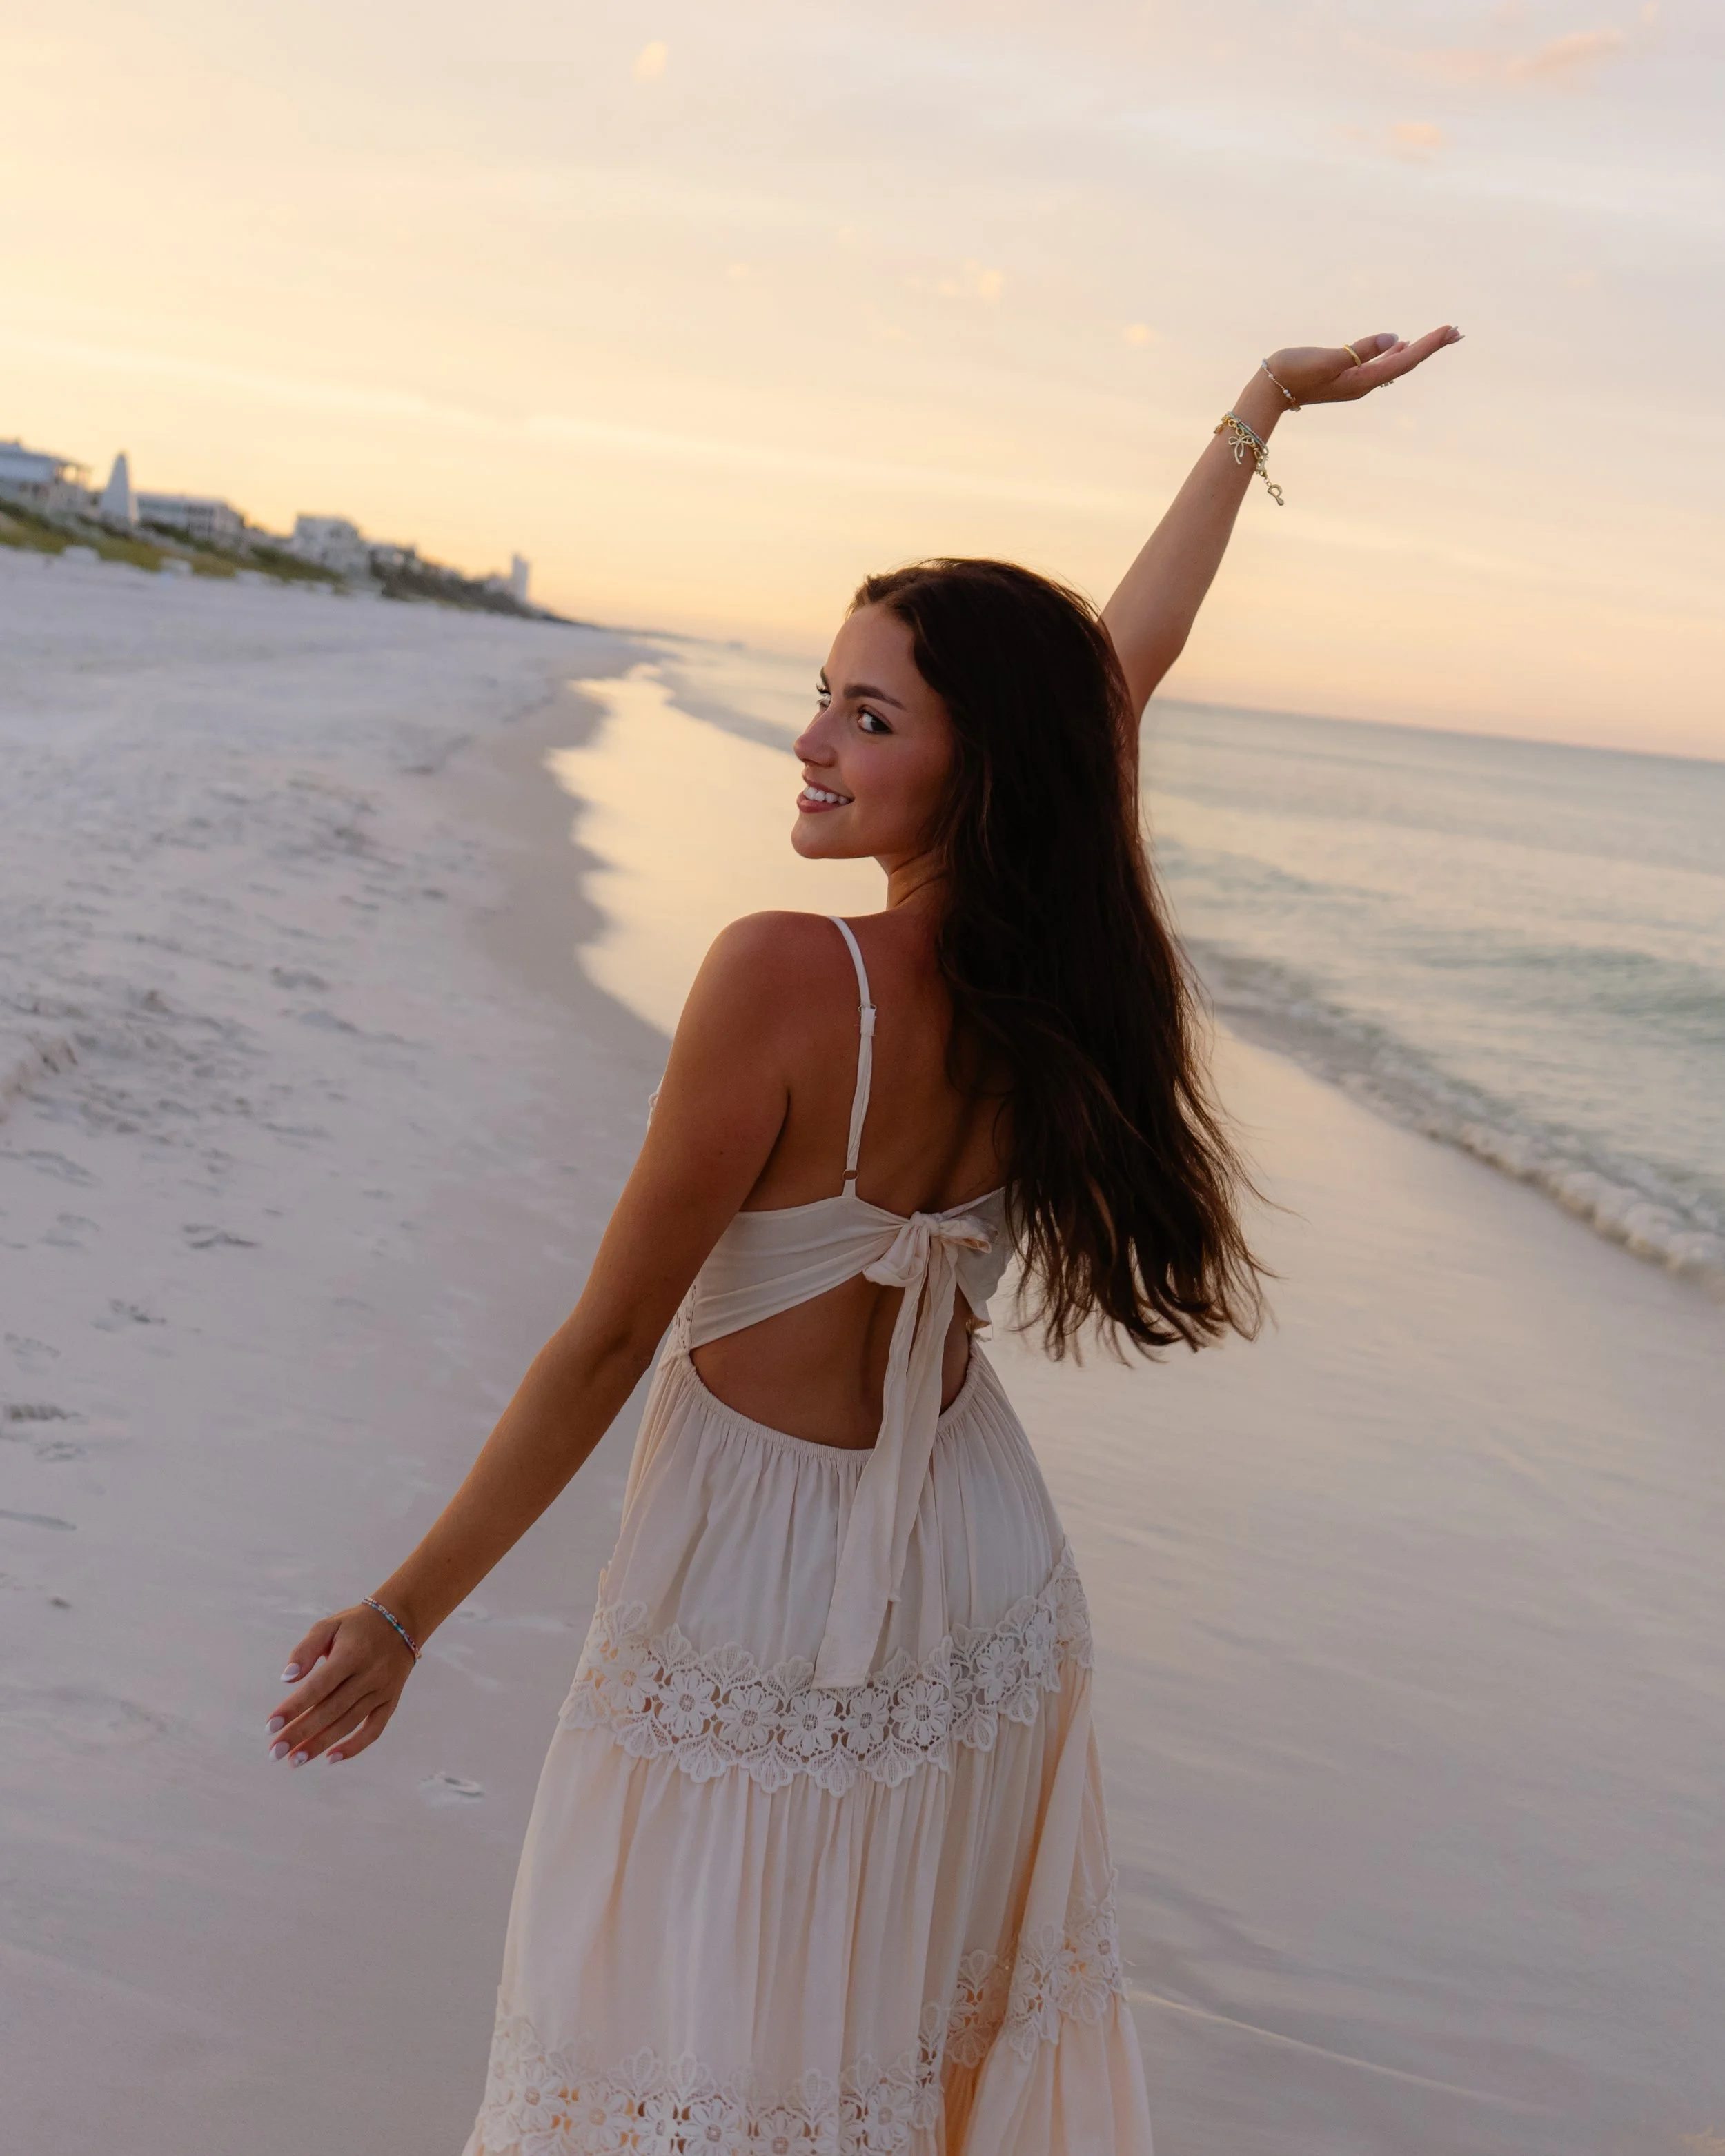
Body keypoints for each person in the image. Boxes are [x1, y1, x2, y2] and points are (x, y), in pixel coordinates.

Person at [267, 327, 1461, 2153]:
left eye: (868, 715)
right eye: (822, 694)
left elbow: (603, 1344)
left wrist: (408, 1609)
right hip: (975, 1566)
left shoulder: (784, 971)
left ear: (976, 767)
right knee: (889, 2059)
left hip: (761, 1574)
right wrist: (1253, 418)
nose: (811, 741)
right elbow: (1110, 683)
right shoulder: (1038, 963)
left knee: (695, 2043)